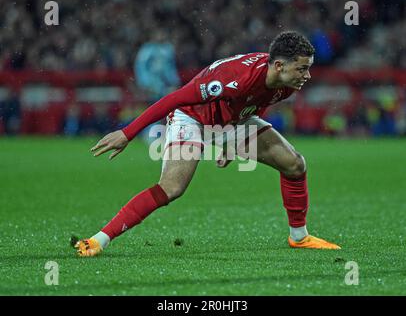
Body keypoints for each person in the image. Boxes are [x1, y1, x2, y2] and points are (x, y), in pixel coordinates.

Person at [74, 31, 341, 257]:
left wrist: (231, 143)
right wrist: (128, 133)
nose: (307, 75)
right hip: (192, 117)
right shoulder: (236, 76)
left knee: (294, 164)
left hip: (230, 123)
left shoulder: (287, 82)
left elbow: (256, 103)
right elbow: (175, 98)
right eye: (302, 68)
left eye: (308, 68)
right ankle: (99, 240)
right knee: (172, 188)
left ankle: (299, 236)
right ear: (280, 66)